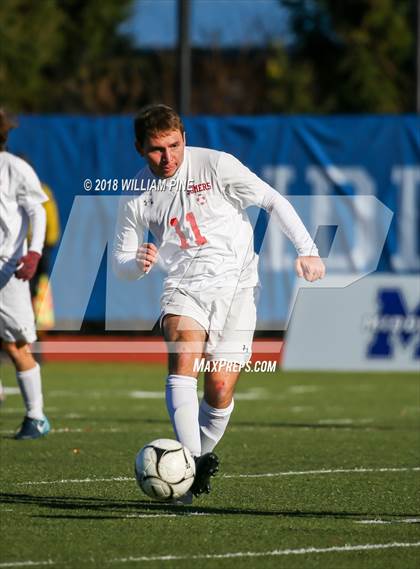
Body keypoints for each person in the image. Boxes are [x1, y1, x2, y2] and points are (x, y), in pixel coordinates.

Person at [113, 104, 325, 502]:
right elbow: (121, 263)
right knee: (184, 355)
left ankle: (194, 462)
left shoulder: (216, 166)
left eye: (174, 146)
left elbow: (272, 200)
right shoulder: (135, 195)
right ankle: (188, 478)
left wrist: (308, 249)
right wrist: (136, 264)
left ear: (184, 138)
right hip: (183, 287)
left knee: (220, 387)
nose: (168, 157)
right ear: (140, 148)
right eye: (157, 149)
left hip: (239, 288)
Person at [0, 109, 50, 439]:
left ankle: (37, 417)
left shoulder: (14, 168)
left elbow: (37, 211)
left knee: (17, 344)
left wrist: (34, 252)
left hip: (6, 268)